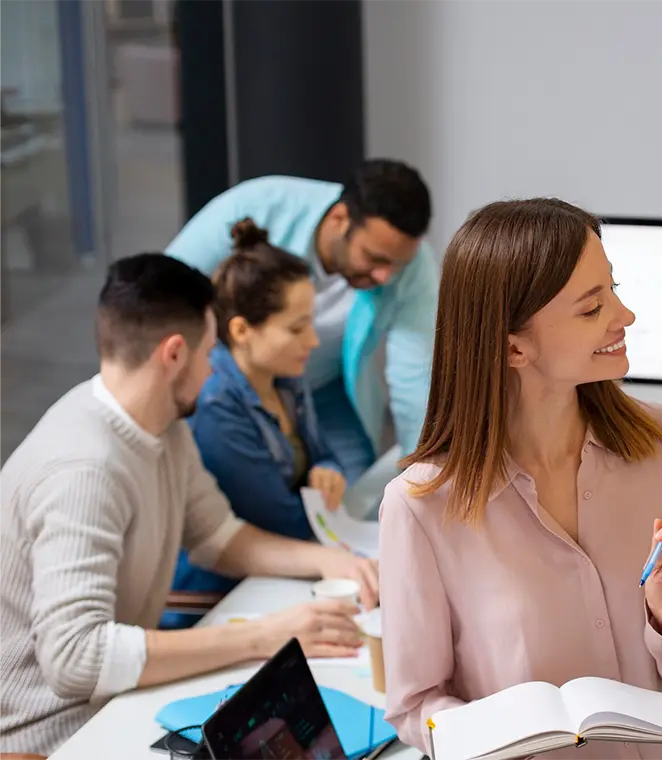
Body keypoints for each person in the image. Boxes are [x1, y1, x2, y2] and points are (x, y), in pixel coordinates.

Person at [378, 198, 662, 760]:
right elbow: (416, 706)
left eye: (612, 289)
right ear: (514, 346)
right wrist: (506, 732)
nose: (625, 316)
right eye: (592, 308)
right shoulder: (421, 506)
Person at [0, 254, 379, 756]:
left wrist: (334, 561)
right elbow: (75, 657)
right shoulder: (83, 468)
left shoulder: (162, 426)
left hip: (115, 705)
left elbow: (218, 537)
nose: (213, 369)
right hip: (51, 737)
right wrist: (264, 637)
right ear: (174, 354)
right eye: (209, 352)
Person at [166, 159, 437, 516]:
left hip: (322, 391)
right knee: (248, 503)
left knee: (351, 503)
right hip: (230, 387)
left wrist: (427, 478)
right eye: (374, 258)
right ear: (340, 220)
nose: (385, 276)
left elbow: (413, 380)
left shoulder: (412, 269)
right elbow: (164, 299)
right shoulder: (256, 207)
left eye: (396, 265)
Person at [162, 219, 349, 627]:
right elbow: (280, 519)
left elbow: (327, 454)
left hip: (272, 573)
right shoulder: (214, 404)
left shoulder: (286, 379)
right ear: (242, 330)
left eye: (312, 323)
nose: (313, 341)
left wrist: (329, 471)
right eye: (297, 328)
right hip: (211, 601)